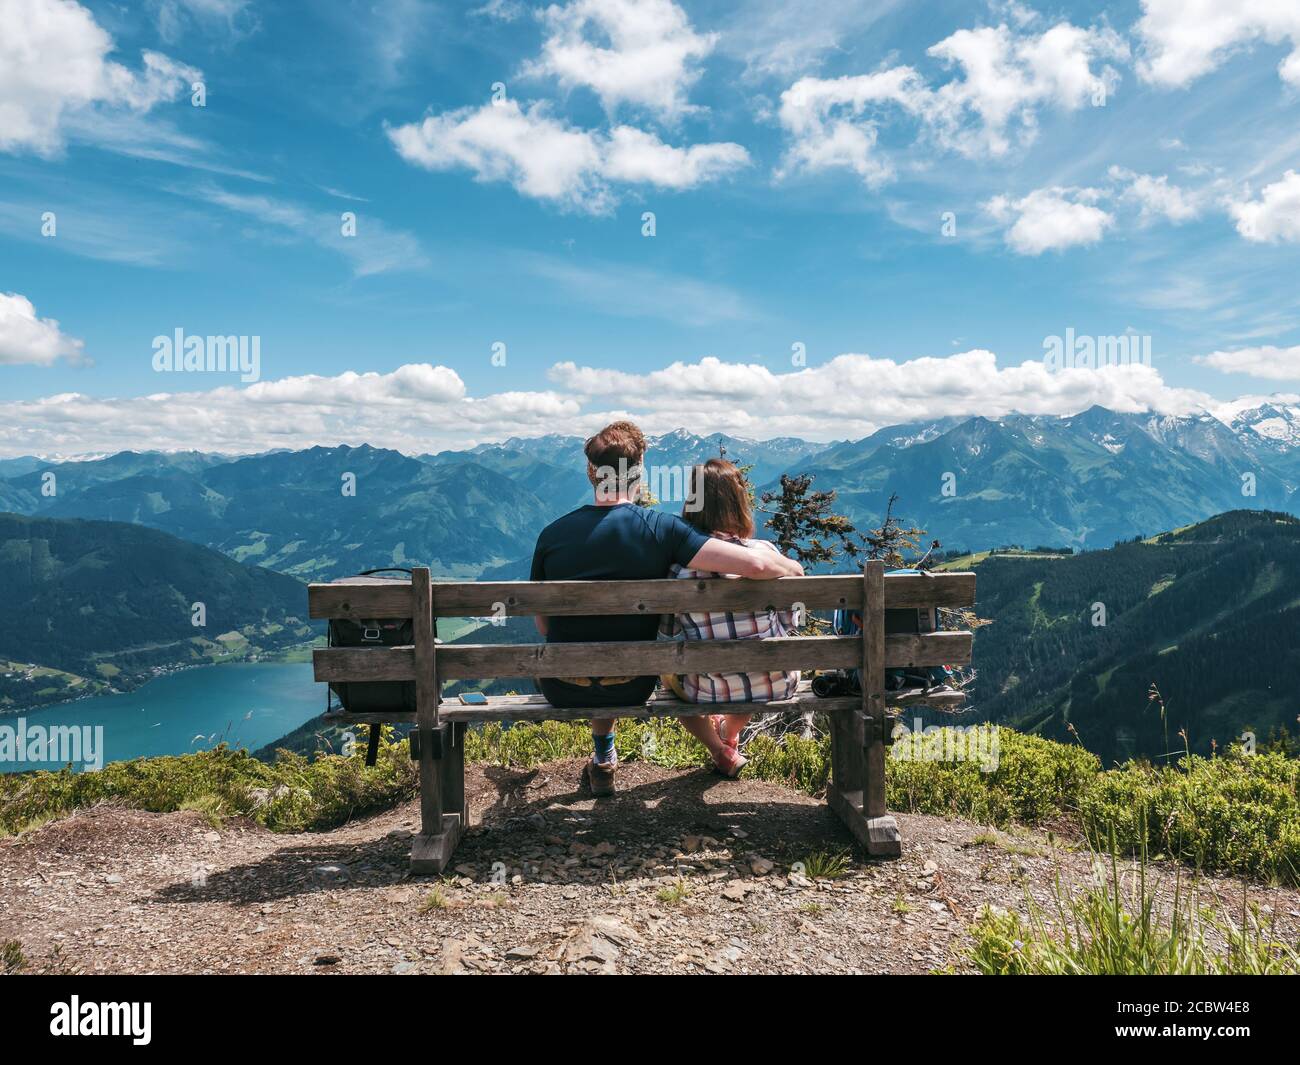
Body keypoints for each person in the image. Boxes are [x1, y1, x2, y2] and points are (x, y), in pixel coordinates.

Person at [530, 422, 803, 796]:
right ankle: (713, 745)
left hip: (561, 686)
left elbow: (544, 627)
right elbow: (753, 566)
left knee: (592, 644)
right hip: (631, 686)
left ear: (591, 472)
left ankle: (604, 755)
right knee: (620, 655)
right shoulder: (661, 530)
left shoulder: (552, 535)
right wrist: (792, 568)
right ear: (640, 470)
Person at [659, 459, 799, 777]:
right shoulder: (765, 552)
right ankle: (731, 732)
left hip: (707, 689)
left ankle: (719, 749)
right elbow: (790, 621)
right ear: (739, 503)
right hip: (776, 683)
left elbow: (668, 629)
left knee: (669, 681)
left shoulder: (679, 568)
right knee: (760, 661)